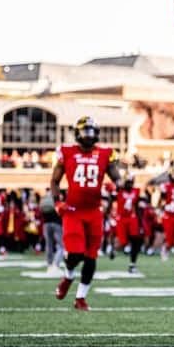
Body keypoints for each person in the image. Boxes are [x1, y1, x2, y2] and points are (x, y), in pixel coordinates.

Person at [52, 116, 121, 310]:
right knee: (75, 253)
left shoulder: (105, 154)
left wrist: (114, 185)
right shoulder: (66, 152)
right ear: (77, 133)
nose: (88, 135)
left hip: (94, 212)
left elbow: (118, 178)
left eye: (92, 131)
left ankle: (80, 297)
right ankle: (68, 275)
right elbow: (55, 181)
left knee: (91, 257)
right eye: (85, 131)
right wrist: (57, 202)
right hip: (73, 211)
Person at [115, 175, 144, 274]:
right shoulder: (119, 190)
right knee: (122, 243)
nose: (129, 184)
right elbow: (111, 199)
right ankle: (112, 249)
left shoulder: (136, 191)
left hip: (132, 218)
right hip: (121, 218)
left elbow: (137, 206)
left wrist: (140, 222)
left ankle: (132, 264)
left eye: (131, 182)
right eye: (127, 182)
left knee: (136, 241)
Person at [40, 188, 63, 276]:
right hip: (57, 223)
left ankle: (49, 266)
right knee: (61, 246)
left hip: (46, 223)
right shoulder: (58, 197)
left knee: (48, 245)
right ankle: (56, 266)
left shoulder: (45, 198)